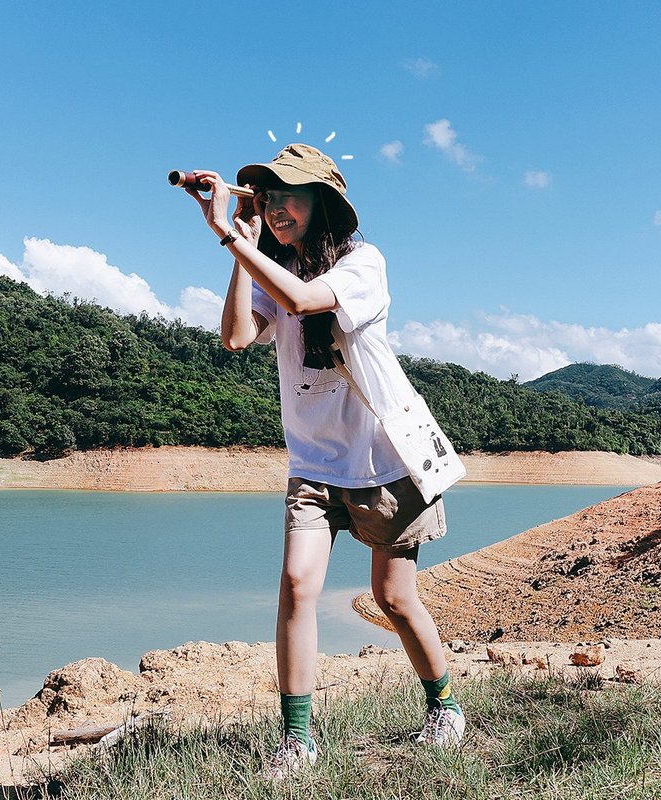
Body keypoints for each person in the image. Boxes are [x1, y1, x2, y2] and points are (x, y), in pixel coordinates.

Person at [185, 144, 465, 779]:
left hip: (383, 462)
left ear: (325, 205)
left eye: (290, 196)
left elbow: (309, 301)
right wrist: (243, 244)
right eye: (269, 196)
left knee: (392, 599)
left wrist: (232, 235)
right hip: (312, 464)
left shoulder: (363, 263)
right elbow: (234, 336)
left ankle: (445, 707)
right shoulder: (268, 263)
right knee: (295, 588)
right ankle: (298, 739)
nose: (278, 207)